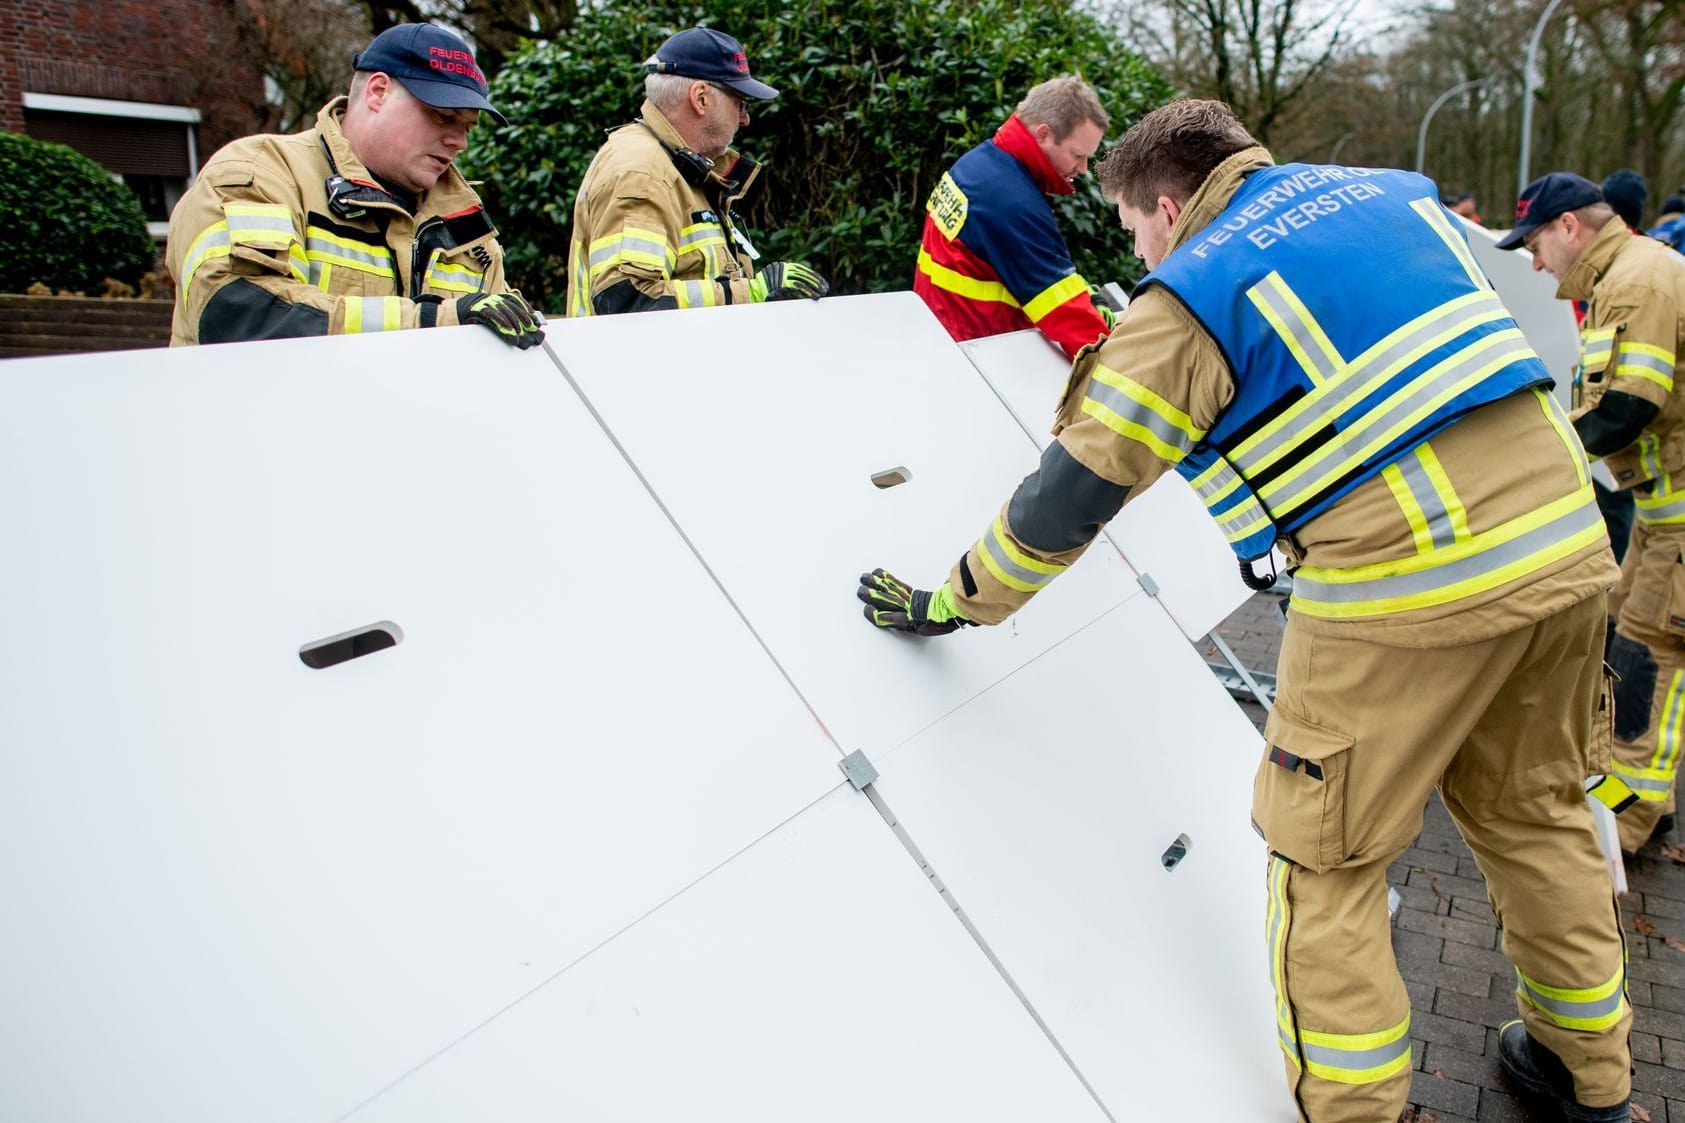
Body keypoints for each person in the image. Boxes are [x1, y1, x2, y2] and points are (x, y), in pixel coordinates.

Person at [861, 101, 1630, 1123]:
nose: (1136, 250)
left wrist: (951, 600)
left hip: (1402, 594)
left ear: (1168, 206)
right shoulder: (1397, 200)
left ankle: (1360, 1111)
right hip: (1565, 554)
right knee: (1535, 818)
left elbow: (1070, 493)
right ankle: (1591, 1083)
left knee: (1326, 860)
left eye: (1134, 229)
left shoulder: (1190, 293)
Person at [1501, 171, 1685, 859]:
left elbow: (1626, 405)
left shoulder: (1635, 281)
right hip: (1661, 516)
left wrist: (1533, 457)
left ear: (1568, 227)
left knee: (1647, 656)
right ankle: (1632, 799)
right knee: (1617, 631)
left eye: (1536, 243)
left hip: (1676, 523)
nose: (1534, 261)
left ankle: (1631, 821)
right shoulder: (1631, 274)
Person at [166, 23, 542, 349]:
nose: (459, 141)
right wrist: (431, 321)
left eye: (468, 127)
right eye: (443, 117)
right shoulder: (261, 174)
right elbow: (239, 315)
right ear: (378, 92)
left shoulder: (470, 231)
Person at [564, 27, 827, 316]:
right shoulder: (643, 171)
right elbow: (626, 300)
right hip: (638, 362)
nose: (745, 118)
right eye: (740, 103)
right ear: (700, 97)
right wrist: (748, 293)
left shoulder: (679, 166)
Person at [913, 76, 1114, 358]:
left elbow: (1043, 265)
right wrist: (1118, 360)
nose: (1082, 168)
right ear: (1043, 134)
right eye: (1077, 154)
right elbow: (1067, 316)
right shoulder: (1011, 201)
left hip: (942, 333)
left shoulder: (980, 164)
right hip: (979, 356)